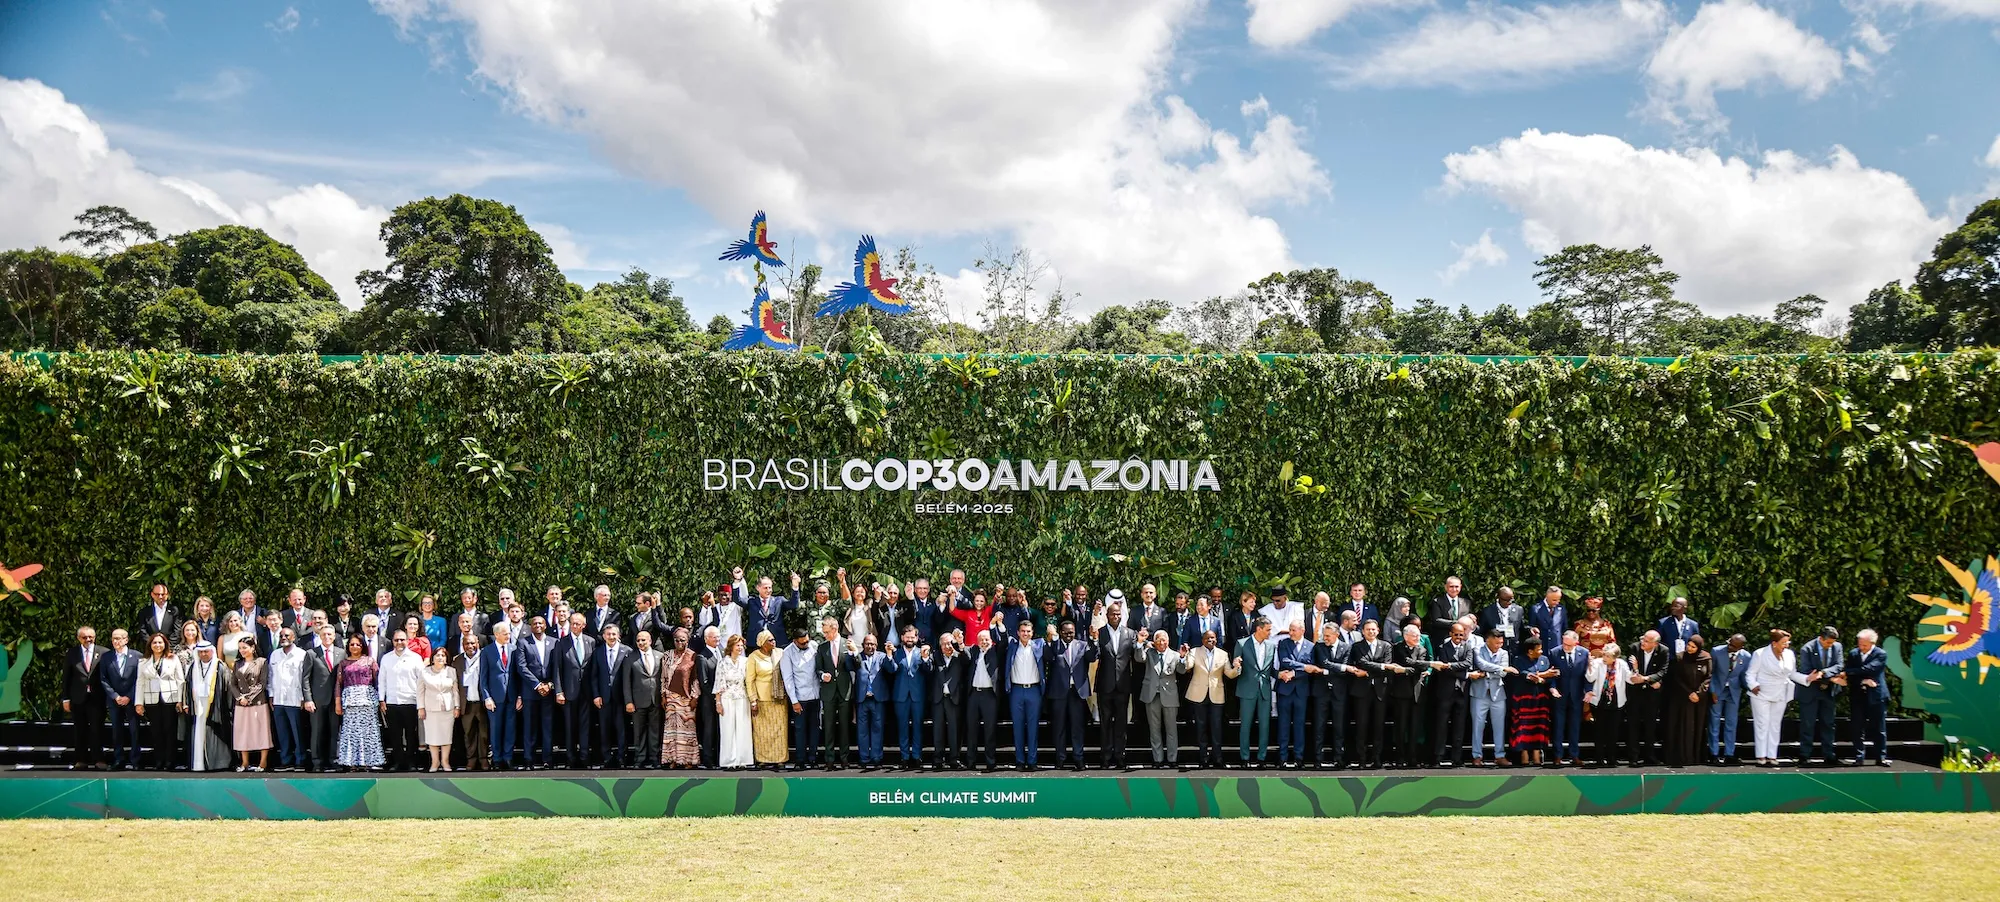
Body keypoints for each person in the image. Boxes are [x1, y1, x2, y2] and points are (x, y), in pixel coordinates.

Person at [1744, 629, 1809, 766]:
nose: (1786, 645)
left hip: (1780, 692)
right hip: (1761, 693)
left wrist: (1808, 678)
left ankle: (1772, 755)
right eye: (1783, 643)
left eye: (1787, 642)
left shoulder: (1789, 654)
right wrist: (1753, 685)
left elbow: (1792, 674)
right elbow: (1750, 673)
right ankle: (1761, 755)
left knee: (1775, 724)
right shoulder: (1760, 654)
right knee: (1762, 724)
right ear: (1774, 643)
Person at [1137, 629, 1190, 767]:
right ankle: (1158, 759)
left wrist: (1183, 657)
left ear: (1168, 641)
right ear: (1154, 642)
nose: (1161, 642)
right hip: (1152, 695)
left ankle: (1172, 759)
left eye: (1164, 639)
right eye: (1159, 640)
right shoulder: (1149, 653)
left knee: (1171, 729)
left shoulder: (1175, 654)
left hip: (1169, 695)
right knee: (1154, 729)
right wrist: (1140, 643)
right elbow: (1138, 658)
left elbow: (1182, 670)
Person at [1046, 620, 1095, 770]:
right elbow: (1047, 657)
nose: (1069, 635)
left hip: (1077, 692)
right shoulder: (1055, 645)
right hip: (1059, 692)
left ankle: (1078, 758)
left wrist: (1094, 639)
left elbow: (1092, 657)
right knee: (1059, 727)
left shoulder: (1082, 644)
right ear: (1061, 632)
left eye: (1071, 632)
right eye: (1066, 632)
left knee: (1077, 727)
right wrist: (1050, 641)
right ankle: (1060, 758)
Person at [1350, 620, 1397, 768]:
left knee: (1379, 726)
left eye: (1373, 629)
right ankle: (1362, 759)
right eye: (1368, 630)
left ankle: (1377, 758)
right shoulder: (1357, 647)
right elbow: (1361, 662)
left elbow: (1387, 666)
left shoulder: (1386, 646)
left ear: (1378, 631)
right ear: (1363, 631)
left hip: (1380, 691)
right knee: (1361, 726)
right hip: (1362, 691)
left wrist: (1381, 667)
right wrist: (1381, 666)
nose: (1371, 632)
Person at [1428, 622, 1475, 767]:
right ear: (1450, 634)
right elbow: (1442, 668)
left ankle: (1457, 758)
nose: (1459, 637)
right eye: (1456, 634)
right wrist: (1460, 671)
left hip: (1461, 692)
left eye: (1461, 635)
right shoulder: (1442, 647)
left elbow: (1467, 663)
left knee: (1459, 726)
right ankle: (1438, 757)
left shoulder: (1468, 647)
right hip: (1445, 692)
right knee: (1441, 725)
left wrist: (1451, 666)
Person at [1796, 626, 1845, 766]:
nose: (1830, 645)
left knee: (1828, 723)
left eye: (1832, 643)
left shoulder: (1837, 647)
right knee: (1808, 723)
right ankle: (1804, 755)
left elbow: (1839, 665)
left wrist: (1824, 674)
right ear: (1820, 639)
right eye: (1828, 643)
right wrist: (1830, 678)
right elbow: (1807, 670)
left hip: (1829, 692)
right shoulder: (1808, 648)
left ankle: (1829, 755)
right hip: (1810, 692)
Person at [1310, 623, 1356, 769]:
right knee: (1319, 725)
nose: (1325, 638)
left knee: (1339, 726)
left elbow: (1335, 668)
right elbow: (1324, 663)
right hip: (1321, 691)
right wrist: (1343, 668)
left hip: (1339, 692)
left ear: (1336, 634)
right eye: (1324, 635)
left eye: (1328, 635)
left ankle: (1339, 758)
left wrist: (1330, 670)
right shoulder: (1319, 646)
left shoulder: (1347, 647)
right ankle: (1318, 759)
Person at [1232, 616, 1276, 768]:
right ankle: (1245, 758)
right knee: (1245, 725)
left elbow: (1271, 670)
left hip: (1264, 690)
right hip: (1247, 689)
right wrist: (1236, 665)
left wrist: (1282, 674)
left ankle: (1261, 758)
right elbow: (1236, 667)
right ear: (1259, 629)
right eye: (1268, 630)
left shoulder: (1271, 646)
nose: (1270, 633)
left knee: (1265, 725)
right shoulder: (1242, 643)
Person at [1002, 619, 1047, 770]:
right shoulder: (1012, 645)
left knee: (1033, 727)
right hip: (1016, 690)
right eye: (1023, 631)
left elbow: (1053, 650)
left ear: (1032, 633)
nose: (1025, 634)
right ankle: (1020, 761)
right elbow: (1000, 636)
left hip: (1034, 690)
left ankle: (1032, 761)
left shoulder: (1039, 644)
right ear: (1018, 632)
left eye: (1028, 631)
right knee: (1018, 727)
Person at [181, 641, 232, 772]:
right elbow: (187, 686)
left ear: (212, 651)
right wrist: (187, 703)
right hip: (197, 705)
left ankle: (217, 763)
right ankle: (198, 763)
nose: (203, 654)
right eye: (201, 652)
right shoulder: (193, 667)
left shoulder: (220, 667)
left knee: (213, 733)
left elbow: (227, 688)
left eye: (206, 651)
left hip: (215, 706)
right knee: (198, 733)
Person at [136, 631, 183, 771]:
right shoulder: (143, 662)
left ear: (165, 644)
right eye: (154, 642)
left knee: (169, 731)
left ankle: (170, 761)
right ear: (150, 645)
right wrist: (139, 702)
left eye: (160, 642)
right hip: (152, 700)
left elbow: (180, 680)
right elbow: (140, 682)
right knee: (156, 732)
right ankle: (159, 760)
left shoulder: (173, 659)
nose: (157, 645)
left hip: (170, 699)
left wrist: (180, 700)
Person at [1663, 634, 1712, 766]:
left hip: (1699, 700)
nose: (1689, 648)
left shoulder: (1706, 658)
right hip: (1682, 698)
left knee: (1696, 726)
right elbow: (1676, 678)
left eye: (1693, 647)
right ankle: (1680, 757)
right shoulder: (1680, 657)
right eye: (1688, 645)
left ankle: (1695, 757)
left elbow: (1708, 677)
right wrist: (1689, 692)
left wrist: (1699, 693)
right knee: (1682, 726)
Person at [479, 622, 523, 770]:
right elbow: (483, 677)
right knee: (496, 729)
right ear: (497, 634)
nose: (508, 636)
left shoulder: (514, 649)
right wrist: (487, 697)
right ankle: (497, 759)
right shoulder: (487, 651)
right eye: (505, 634)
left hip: (511, 696)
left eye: (509, 633)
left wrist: (519, 696)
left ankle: (508, 758)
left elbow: (518, 675)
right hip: (495, 698)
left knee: (510, 729)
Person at [554, 612, 596, 769]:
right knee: (569, 726)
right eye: (572, 623)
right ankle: (571, 757)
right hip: (568, 692)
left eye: (578, 624)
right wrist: (559, 691)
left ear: (584, 626)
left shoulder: (591, 642)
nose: (575, 626)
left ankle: (584, 756)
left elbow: (593, 668)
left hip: (586, 692)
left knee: (585, 726)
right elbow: (557, 669)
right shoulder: (562, 642)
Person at [62, 625, 106, 770]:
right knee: (79, 730)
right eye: (84, 637)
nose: (88, 639)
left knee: (97, 730)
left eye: (90, 637)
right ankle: (81, 760)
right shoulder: (72, 653)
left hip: (97, 698)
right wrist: (65, 698)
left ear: (95, 637)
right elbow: (66, 677)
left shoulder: (104, 652)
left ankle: (98, 760)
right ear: (78, 638)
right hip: (78, 698)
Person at [1273, 621, 1317, 767]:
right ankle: (1283, 758)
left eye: (1293, 630)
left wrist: (1295, 673)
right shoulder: (1284, 643)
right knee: (1283, 725)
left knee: (1299, 725)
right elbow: (1285, 661)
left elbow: (1313, 667)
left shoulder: (1311, 646)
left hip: (1301, 691)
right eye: (1290, 630)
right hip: (1285, 691)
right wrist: (1304, 667)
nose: (1290, 633)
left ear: (1302, 630)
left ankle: (1299, 758)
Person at [884, 625, 929, 769]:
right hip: (900, 695)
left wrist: (926, 658)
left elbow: (929, 670)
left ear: (917, 638)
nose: (910, 639)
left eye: (912, 637)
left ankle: (916, 756)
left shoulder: (922, 652)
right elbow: (890, 670)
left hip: (918, 695)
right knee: (902, 727)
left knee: (918, 727)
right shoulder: (896, 653)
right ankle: (904, 757)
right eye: (907, 637)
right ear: (902, 638)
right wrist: (889, 656)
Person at [1470, 628, 1515, 766]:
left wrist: (1488, 673)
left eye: (1501, 643)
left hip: (1498, 694)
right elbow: (1481, 664)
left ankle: (1500, 755)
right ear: (1487, 641)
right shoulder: (1478, 650)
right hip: (1479, 693)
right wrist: (1501, 669)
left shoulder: (1504, 653)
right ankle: (1477, 756)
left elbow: (1503, 674)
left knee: (1499, 726)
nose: (1499, 646)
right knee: (1477, 726)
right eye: (1496, 643)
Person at [1185, 628, 1230, 769]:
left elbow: (1229, 673)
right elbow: (1188, 666)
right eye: (1208, 638)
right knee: (1201, 727)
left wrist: (1237, 668)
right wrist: (1184, 656)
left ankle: (1218, 759)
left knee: (1217, 728)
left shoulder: (1223, 654)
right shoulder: (1194, 651)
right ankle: (1203, 758)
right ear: (1202, 640)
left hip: (1216, 694)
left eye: (1213, 638)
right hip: (1199, 694)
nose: (1211, 640)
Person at [1388, 623, 1431, 768]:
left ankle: (1413, 757)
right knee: (1401, 726)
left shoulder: (1422, 649)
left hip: (1417, 692)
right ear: (1406, 636)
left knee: (1414, 727)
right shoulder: (1398, 648)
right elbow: (1407, 662)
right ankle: (1400, 757)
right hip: (1401, 693)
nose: (1418, 638)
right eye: (1415, 636)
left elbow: (1423, 667)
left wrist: (1407, 669)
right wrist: (1414, 667)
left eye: (1419, 635)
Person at [776, 627, 820, 770]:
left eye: (807, 641)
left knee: (815, 728)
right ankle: (800, 759)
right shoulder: (787, 653)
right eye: (802, 643)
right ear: (795, 641)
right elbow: (788, 678)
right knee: (800, 729)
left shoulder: (814, 646)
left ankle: (813, 757)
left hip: (815, 694)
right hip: (800, 697)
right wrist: (794, 700)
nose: (806, 644)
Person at [813, 617, 854, 770]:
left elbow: (856, 666)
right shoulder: (822, 647)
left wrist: (854, 653)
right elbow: (818, 669)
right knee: (828, 726)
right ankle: (829, 759)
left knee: (844, 726)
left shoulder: (847, 644)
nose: (825, 635)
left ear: (835, 629)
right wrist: (823, 675)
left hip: (844, 691)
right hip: (829, 691)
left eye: (827, 632)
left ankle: (844, 758)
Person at [1506, 637, 1553, 767]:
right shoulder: (1518, 660)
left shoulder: (1545, 660)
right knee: (1522, 727)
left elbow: (1551, 677)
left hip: (1540, 699)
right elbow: (1524, 675)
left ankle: (1537, 755)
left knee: (1539, 726)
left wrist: (1542, 677)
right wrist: (1542, 675)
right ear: (1530, 651)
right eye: (1539, 649)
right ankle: (1524, 755)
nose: (1541, 651)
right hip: (1523, 699)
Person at [266, 627, 309, 772]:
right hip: (278, 699)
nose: (283, 637)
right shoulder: (274, 655)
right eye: (281, 635)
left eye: (287, 635)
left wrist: (304, 697)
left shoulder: (301, 654)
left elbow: (304, 678)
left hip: (295, 699)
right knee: (282, 732)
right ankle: (286, 761)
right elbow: (271, 677)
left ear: (294, 637)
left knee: (297, 732)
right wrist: (271, 695)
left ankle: (300, 760)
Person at [516, 615, 555, 769]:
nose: (538, 625)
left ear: (545, 625)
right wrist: (537, 685)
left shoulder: (554, 642)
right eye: (535, 623)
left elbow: (557, 667)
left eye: (541, 623)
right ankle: (529, 760)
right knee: (529, 728)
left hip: (549, 692)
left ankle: (547, 759)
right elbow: (521, 667)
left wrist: (549, 685)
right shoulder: (523, 642)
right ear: (530, 626)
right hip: (530, 692)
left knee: (548, 727)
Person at [623, 629, 666, 769]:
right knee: (638, 731)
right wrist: (628, 701)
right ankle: (639, 758)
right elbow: (626, 682)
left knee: (655, 730)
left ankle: (654, 757)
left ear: (650, 641)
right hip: (637, 701)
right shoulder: (630, 657)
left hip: (656, 700)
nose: (641, 642)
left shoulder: (661, 656)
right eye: (638, 640)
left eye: (643, 640)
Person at [1847, 629, 1891, 766]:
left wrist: (1853, 672)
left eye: (1864, 645)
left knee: (1879, 728)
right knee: (1857, 726)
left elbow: (1871, 669)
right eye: (1860, 644)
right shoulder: (1853, 654)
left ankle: (1880, 757)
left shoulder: (1881, 654)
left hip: (1877, 696)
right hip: (1858, 695)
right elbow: (1849, 674)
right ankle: (1859, 756)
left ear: (1872, 643)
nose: (1861, 648)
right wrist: (1862, 681)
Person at [98, 628, 141, 770]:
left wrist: (129, 696)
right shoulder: (106, 657)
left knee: (134, 731)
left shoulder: (137, 656)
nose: (117, 641)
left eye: (120, 638)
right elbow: (103, 679)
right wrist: (115, 696)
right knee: (117, 731)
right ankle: (119, 760)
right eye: (114, 638)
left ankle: (135, 761)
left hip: (132, 699)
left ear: (126, 639)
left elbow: (140, 679)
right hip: (114, 701)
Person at [229, 637, 272, 773]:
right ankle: (245, 762)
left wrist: (248, 697)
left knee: (261, 730)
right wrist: (240, 697)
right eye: (240, 648)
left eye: (244, 648)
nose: (242, 651)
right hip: (241, 703)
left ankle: (263, 762)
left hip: (258, 701)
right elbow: (232, 683)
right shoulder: (237, 664)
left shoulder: (262, 662)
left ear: (252, 648)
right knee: (242, 732)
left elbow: (262, 683)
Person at [964, 627, 1004, 771]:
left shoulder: (995, 652)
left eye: (986, 639)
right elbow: (962, 651)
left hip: (989, 696)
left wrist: (995, 626)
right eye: (981, 640)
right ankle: (970, 762)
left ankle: (990, 762)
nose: (984, 642)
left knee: (990, 730)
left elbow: (1003, 640)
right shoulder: (973, 651)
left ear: (991, 640)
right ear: (977, 641)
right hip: (974, 695)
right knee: (971, 730)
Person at [747, 630, 789, 769]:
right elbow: (749, 680)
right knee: (762, 731)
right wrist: (753, 700)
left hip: (779, 698)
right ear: (762, 643)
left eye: (773, 639)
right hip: (762, 699)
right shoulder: (754, 657)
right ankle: (763, 759)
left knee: (780, 730)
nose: (773, 642)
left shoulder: (780, 653)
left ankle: (780, 759)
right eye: (770, 640)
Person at [661, 628, 702, 768]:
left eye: (682, 640)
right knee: (671, 730)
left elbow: (695, 678)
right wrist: (663, 695)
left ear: (687, 640)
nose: (679, 642)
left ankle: (688, 760)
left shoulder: (692, 656)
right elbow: (663, 677)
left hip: (687, 698)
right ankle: (672, 759)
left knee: (687, 730)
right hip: (671, 698)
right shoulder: (667, 655)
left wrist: (695, 696)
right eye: (677, 640)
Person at [1584, 642, 1629, 767]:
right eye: (1604, 655)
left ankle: (1612, 758)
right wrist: (1589, 664)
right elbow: (1590, 678)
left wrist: (1635, 669)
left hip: (1616, 701)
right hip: (1600, 701)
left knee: (1613, 732)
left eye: (1608, 656)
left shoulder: (1622, 664)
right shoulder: (1597, 663)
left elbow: (1630, 679)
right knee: (1599, 731)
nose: (1604, 658)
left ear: (1615, 657)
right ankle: (1599, 758)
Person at [930, 631, 971, 768]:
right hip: (938, 698)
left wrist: (960, 645)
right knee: (938, 730)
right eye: (944, 644)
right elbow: (927, 668)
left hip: (954, 698)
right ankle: (938, 760)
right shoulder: (935, 656)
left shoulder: (959, 656)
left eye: (949, 643)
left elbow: (968, 660)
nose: (947, 646)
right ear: (940, 645)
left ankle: (954, 759)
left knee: (955, 730)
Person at [1708, 633, 1750, 765]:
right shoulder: (1716, 651)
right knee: (1714, 722)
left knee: (1731, 723)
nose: (1729, 646)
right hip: (1718, 691)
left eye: (1733, 645)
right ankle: (1713, 754)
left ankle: (1729, 754)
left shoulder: (1746, 656)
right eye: (1729, 643)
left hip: (1733, 692)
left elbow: (1743, 676)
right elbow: (1711, 672)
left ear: (1740, 647)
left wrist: (1751, 688)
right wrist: (1712, 691)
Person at [1549, 630, 1590, 765]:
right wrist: (1553, 687)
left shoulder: (1584, 653)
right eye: (1564, 644)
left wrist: (1588, 691)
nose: (1565, 647)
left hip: (1577, 695)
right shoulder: (1554, 652)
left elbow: (1586, 674)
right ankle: (1558, 756)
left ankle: (1574, 755)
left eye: (1569, 645)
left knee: (1575, 726)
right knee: (1558, 726)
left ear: (1576, 643)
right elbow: (1552, 673)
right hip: (1560, 694)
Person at [594, 625, 632, 768]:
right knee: (604, 729)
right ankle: (607, 757)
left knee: (622, 729)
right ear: (604, 636)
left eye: (614, 634)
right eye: (608, 634)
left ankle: (622, 757)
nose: (611, 637)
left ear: (618, 635)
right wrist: (596, 695)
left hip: (621, 697)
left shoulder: (627, 651)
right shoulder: (597, 652)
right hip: (603, 698)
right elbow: (594, 676)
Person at [450, 633, 489, 772]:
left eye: (473, 643)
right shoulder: (458, 660)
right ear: (463, 645)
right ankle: (471, 760)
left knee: (484, 734)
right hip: (466, 703)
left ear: (478, 643)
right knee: (468, 733)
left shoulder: (485, 657)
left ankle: (484, 760)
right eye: (467, 643)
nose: (470, 646)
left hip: (482, 702)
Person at [715, 635, 754, 769]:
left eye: (741, 645)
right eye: (737, 645)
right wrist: (718, 703)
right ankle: (729, 761)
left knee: (743, 728)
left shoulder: (746, 661)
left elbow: (749, 681)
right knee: (728, 729)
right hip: (727, 698)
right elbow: (719, 683)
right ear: (731, 646)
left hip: (742, 697)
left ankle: (742, 760)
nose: (740, 648)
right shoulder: (723, 662)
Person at [419, 647, 459, 771]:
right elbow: (420, 691)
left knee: (446, 736)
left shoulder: (451, 671)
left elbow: (455, 691)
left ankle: (445, 762)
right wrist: (421, 707)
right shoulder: (424, 672)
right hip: (431, 708)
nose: (440, 657)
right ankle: (435, 762)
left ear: (446, 659)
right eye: (437, 655)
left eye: (443, 655)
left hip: (448, 708)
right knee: (432, 736)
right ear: (432, 658)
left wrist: (457, 706)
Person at [695, 627, 722, 768]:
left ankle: (719, 758)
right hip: (708, 700)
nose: (717, 639)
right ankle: (708, 759)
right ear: (706, 639)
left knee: (720, 729)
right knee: (709, 730)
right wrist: (715, 696)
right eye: (714, 637)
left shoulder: (721, 653)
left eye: (718, 637)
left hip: (722, 700)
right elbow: (704, 682)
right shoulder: (702, 657)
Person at [1428, 576, 1475, 649]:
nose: (1454, 589)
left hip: (1462, 642)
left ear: (1460, 587)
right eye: (1451, 586)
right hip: (1444, 640)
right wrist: (1457, 623)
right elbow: (1437, 620)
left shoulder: (1466, 602)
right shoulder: (1437, 602)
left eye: (1457, 586)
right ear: (1446, 587)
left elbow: (1468, 619)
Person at [1479, 588, 1527, 660]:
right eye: (1506, 600)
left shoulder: (1518, 610)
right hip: (1496, 652)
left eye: (1511, 599)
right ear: (1498, 598)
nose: (1509, 602)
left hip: (1514, 650)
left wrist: (1531, 629)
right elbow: (1482, 632)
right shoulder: (1488, 612)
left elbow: (1522, 628)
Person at [1529, 586, 1567, 652]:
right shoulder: (1536, 609)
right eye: (1554, 600)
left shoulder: (1561, 609)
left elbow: (1564, 628)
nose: (1557, 602)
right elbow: (1532, 628)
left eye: (1559, 599)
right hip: (1542, 647)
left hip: (1557, 648)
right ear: (1547, 597)